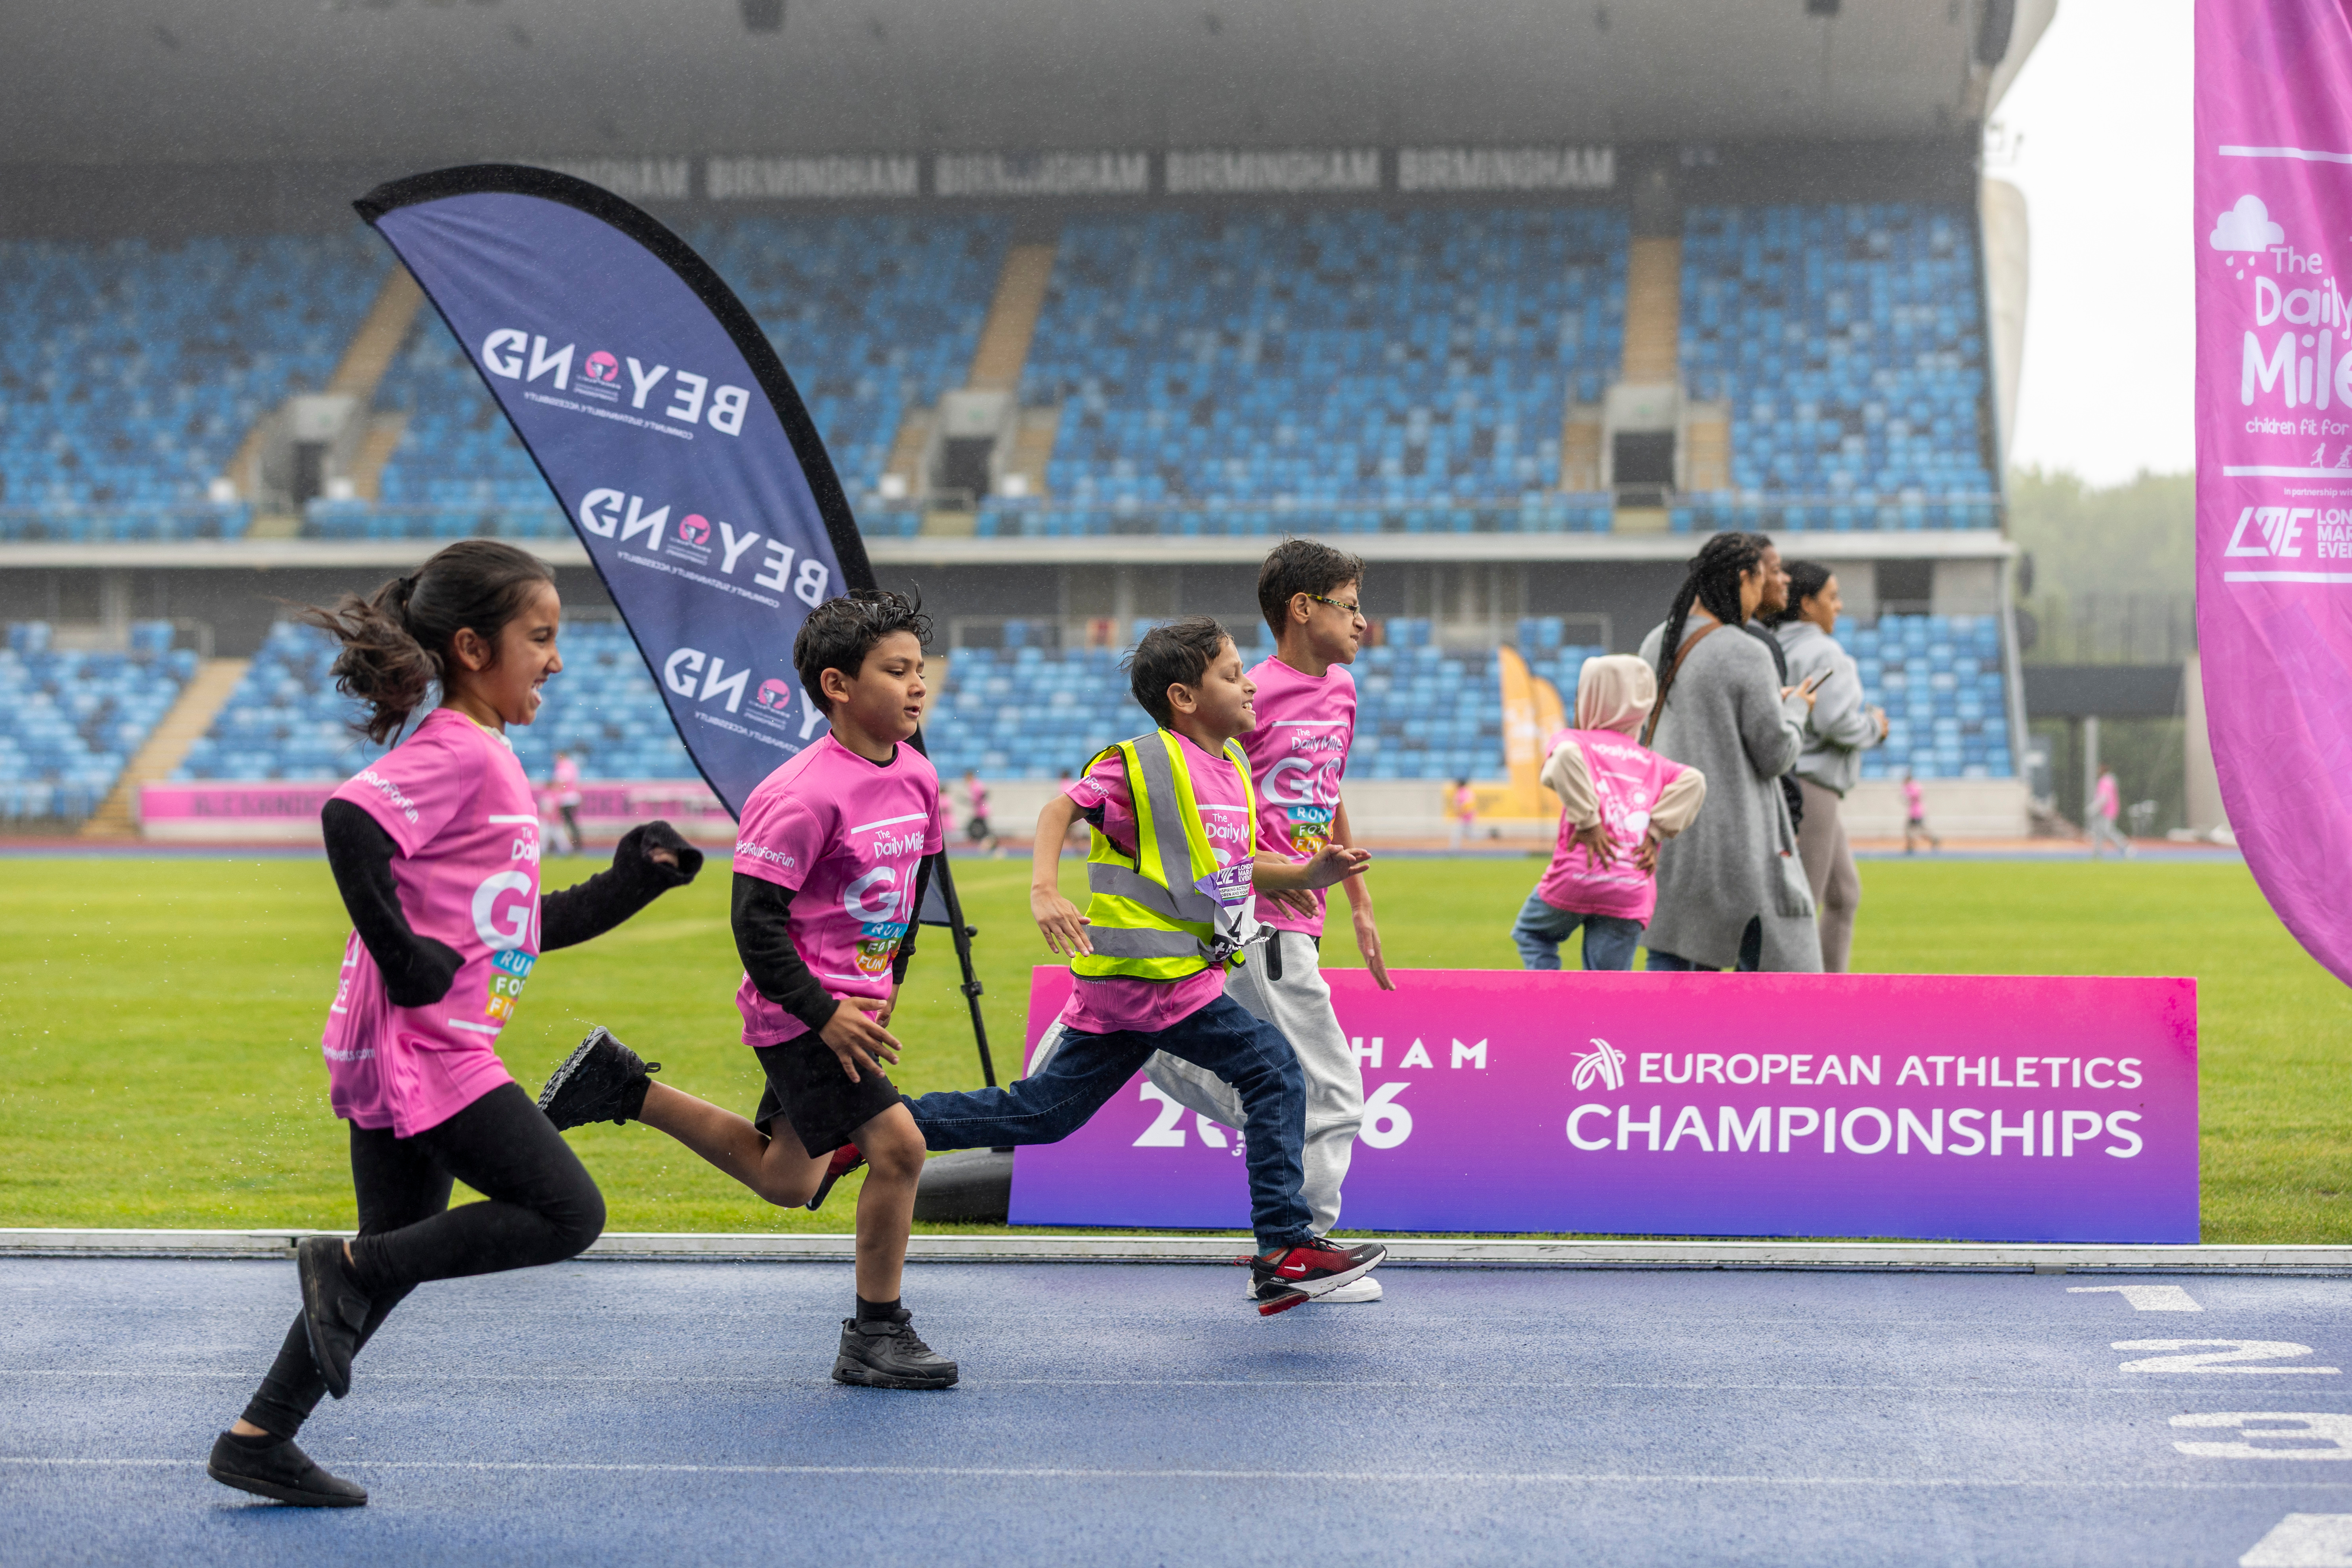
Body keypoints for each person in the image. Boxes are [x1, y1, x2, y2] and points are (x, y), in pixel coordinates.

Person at [206, 540, 703, 1509]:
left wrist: (630, 883)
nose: (557, 659)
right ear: (474, 647)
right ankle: (339, 1267)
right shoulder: (458, 747)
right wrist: (402, 955)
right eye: (542, 637)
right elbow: (350, 820)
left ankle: (260, 1434)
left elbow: (520, 927)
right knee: (567, 1213)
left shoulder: (488, 753)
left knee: (394, 1246)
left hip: (407, 1041)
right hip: (428, 1048)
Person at [902, 616, 1388, 1315]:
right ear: (1184, 697)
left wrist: (1310, 870)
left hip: (1142, 990)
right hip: (1153, 982)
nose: (1250, 684)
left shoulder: (1232, 772)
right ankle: (1285, 1249)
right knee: (1273, 1068)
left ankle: (879, 1123)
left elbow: (1239, 871)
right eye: (1230, 674)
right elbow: (1058, 809)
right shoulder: (1142, 760)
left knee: (1044, 1113)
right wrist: (1044, 889)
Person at [538, 591, 954, 1390]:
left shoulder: (919, 777)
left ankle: (624, 1086)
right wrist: (825, 1013)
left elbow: (912, 890)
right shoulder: (798, 793)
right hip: (800, 1011)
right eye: (895, 671)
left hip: (850, 1010)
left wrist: (888, 981)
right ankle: (875, 1334)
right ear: (837, 684)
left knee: (787, 1178)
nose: (916, 687)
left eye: (918, 671)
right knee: (899, 1149)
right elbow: (755, 922)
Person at [1140, 541, 1392, 1303]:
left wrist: (1357, 900)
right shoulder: (1253, 693)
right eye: (1349, 603)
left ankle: (1152, 1044)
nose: (1362, 620)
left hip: (1307, 908)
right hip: (1258, 912)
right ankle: (1301, 1255)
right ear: (1302, 608)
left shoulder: (1343, 689)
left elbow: (1328, 783)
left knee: (1284, 1090)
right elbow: (1199, 787)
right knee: (1334, 1092)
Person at [1636, 532, 1823, 973]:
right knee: (1748, 972)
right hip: (1734, 843)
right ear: (1743, 578)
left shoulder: (1653, 644)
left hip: (1668, 833)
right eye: (1760, 582)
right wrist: (1796, 709)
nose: (1760, 594)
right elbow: (1775, 755)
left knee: (1669, 961)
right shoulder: (1746, 652)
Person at [1511, 655, 1707, 971]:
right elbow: (1694, 781)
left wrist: (1588, 821)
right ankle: (1602, 1020)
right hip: (1630, 885)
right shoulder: (1651, 761)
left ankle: (1550, 1000)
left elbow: (1561, 762)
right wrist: (1656, 831)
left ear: (1591, 699)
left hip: (1575, 876)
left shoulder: (1574, 741)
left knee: (1533, 933)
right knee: (1609, 983)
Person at [1769, 562, 1887, 973]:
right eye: (1831, 597)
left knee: (1844, 894)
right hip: (1814, 783)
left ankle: (1830, 988)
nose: (1838, 607)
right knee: (1807, 900)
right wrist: (1875, 727)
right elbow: (1835, 722)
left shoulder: (1771, 643)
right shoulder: (1823, 651)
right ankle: (1804, 998)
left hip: (1785, 776)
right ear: (1805, 604)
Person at [2089, 765, 2133, 858]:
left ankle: (2125, 846)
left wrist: (2095, 807)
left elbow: (2104, 797)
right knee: (2100, 832)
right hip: (2109, 810)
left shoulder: (2104, 782)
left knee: (2107, 831)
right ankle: (2097, 853)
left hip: (2107, 810)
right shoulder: (2111, 781)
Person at [551, 749, 583, 853]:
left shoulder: (563, 766)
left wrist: (556, 797)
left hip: (566, 799)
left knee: (566, 823)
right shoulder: (572, 765)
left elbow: (561, 783)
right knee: (571, 823)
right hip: (573, 797)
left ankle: (572, 846)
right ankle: (576, 845)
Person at [1903, 769, 1942, 855]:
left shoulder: (1913, 787)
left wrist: (1908, 796)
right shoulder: (1912, 787)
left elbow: (1916, 796)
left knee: (1918, 831)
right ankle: (1911, 846)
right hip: (1914, 812)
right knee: (1911, 830)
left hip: (1916, 813)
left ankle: (1933, 840)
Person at [962, 769, 998, 854]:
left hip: (981, 812)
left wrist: (966, 800)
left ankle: (990, 845)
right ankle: (990, 845)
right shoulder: (977, 784)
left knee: (973, 829)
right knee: (984, 830)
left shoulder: (974, 785)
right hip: (982, 811)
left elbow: (979, 797)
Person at [1448, 778, 1476, 849]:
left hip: (1464, 817)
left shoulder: (1462, 793)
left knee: (1456, 833)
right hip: (1468, 816)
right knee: (1470, 835)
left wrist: (1461, 813)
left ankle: (1454, 849)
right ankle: (1489, 835)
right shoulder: (1468, 792)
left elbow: (1465, 805)